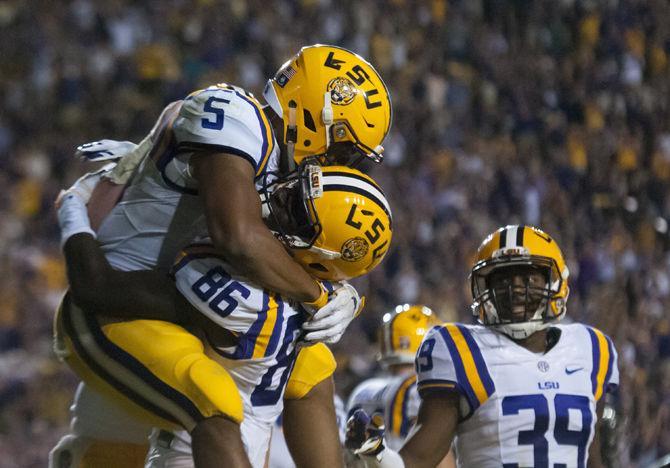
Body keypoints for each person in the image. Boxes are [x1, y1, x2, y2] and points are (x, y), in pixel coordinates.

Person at [50, 42, 392, 468]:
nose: (343, 163)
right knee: (213, 400)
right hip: (121, 299)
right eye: (343, 147)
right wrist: (321, 295)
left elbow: (311, 247)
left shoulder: (284, 166)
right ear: (313, 114)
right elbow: (239, 237)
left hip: (193, 303)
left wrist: (342, 291)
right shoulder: (234, 114)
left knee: (313, 365)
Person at [346, 225, 619, 468]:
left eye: (527, 278)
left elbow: (591, 454)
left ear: (554, 282)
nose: (515, 290)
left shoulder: (591, 348)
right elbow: (419, 459)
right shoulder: (461, 350)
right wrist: (378, 457)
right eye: (503, 280)